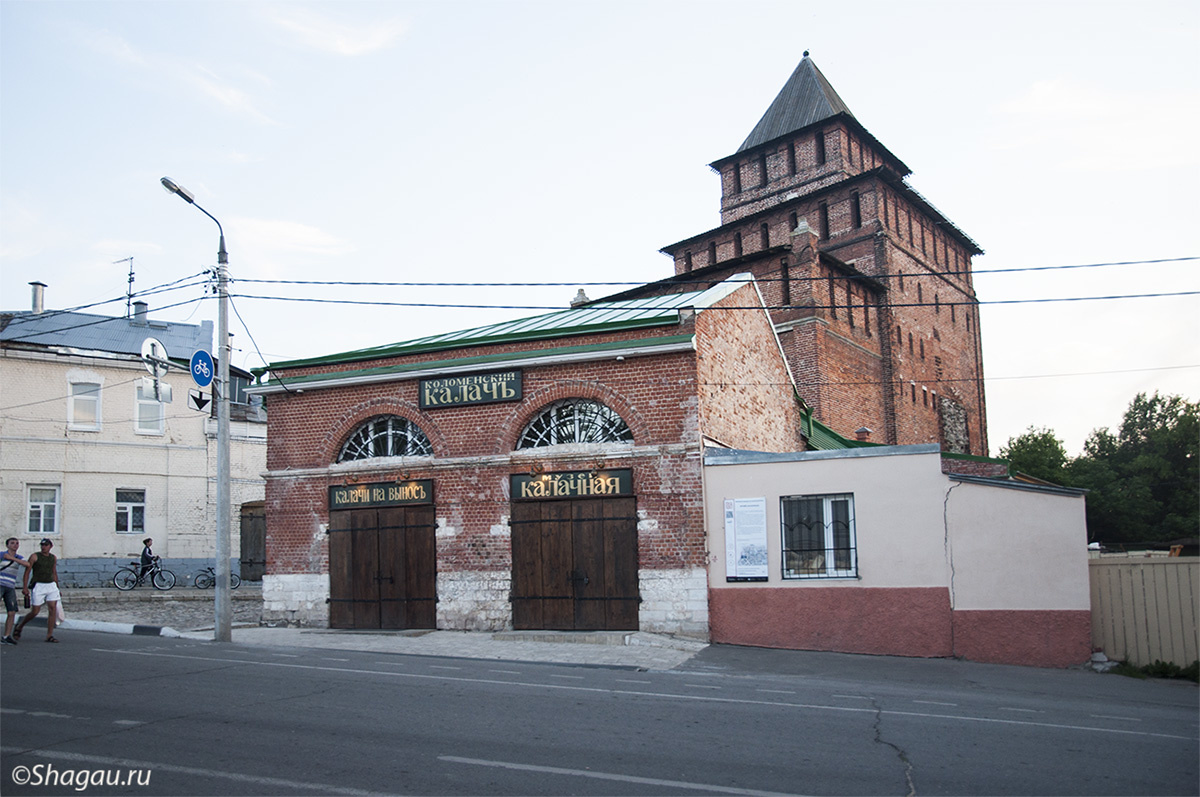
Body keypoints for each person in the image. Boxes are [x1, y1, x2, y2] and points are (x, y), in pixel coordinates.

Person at [13, 538, 61, 643]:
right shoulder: (35, 556)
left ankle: (49, 635)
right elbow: (27, 571)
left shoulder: (53, 558)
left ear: (50, 546)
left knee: (52, 609)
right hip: (38, 585)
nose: (44, 547)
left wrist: (57, 586)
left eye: (46, 545)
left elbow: (54, 571)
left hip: (51, 584)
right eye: (42, 545)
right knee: (35, 611)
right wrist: (25, 587)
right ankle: (20, 626)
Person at [1, 537, 31, 644]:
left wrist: (12, 558)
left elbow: (27, 564)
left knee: (12, 611)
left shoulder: (18, 557)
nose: (15, 545)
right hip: (0, 584)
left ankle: (6, 636)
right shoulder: (2, 555)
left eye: (17, 543)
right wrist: (7, 557)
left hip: (10, 586)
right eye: (12, 543)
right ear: (7, 545)